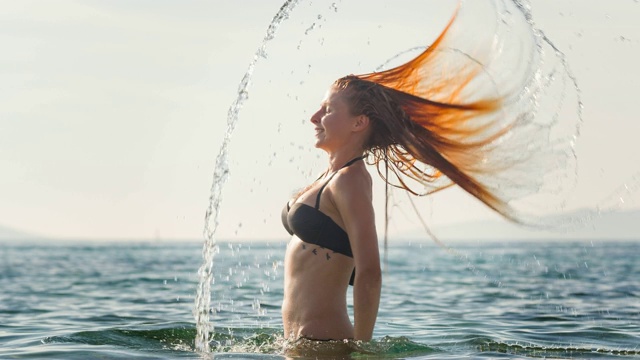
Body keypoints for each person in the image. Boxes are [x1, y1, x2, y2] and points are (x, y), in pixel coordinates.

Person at [280, 1, 576, 355]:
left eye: (327, 110)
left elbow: (370, 272)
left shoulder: (351, 180)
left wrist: (361, 349)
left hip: (327, 349)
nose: (314, 117)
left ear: (359, 123)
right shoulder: (328, 177)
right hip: (301, 347)